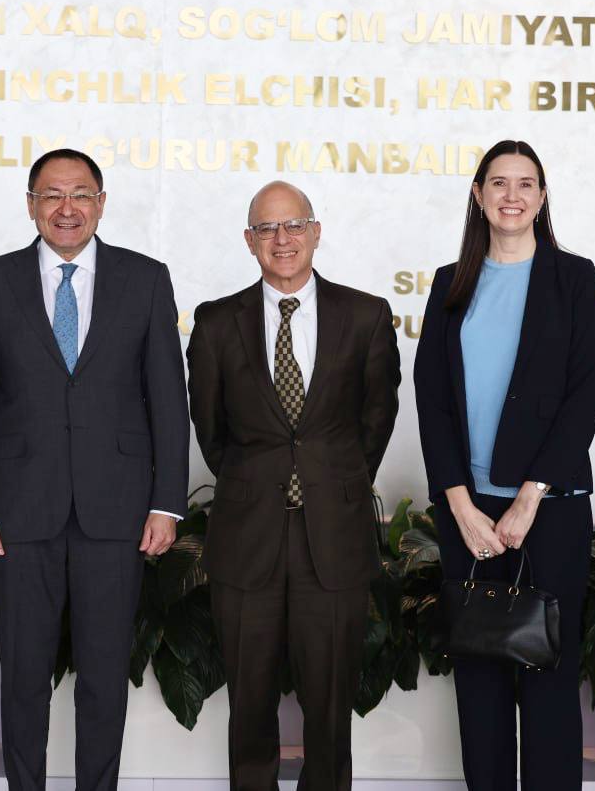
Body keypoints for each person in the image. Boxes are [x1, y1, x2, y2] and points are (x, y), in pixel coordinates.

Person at [0, 149, 189, 791]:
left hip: (118, 510)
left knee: (105, 678)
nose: (66, 207)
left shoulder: (146, 279)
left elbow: (169, 399)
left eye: (80, 194)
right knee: (24, 678)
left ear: (101, 204)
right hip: (17, 512)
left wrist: (167, 502)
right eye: (51, 194)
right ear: (31, 205)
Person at [186, 180, 400, 790]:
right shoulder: (216, 322)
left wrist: (330, 483)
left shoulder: (366, 316)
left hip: (333, 537)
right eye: (267, 228)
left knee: (330, 705)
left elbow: (376, 423)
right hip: (246, 536)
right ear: (249, 240)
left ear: (315, 232)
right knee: (249, 702)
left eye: (294, 225)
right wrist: (259, 482)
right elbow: (211, 430)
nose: (281, 239)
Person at [413, 140, 595, 790]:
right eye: (499, 183)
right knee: (480, 679)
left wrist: (528, 497)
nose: (512, 195)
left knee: (549, 677)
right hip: (468, 512)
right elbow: (432, 398)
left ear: (542, 197)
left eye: (526, 183)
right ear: (478, 195)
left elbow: (586, 392)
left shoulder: (574, 278)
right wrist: (460, 504)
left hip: (549, 509)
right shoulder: (451, 281)